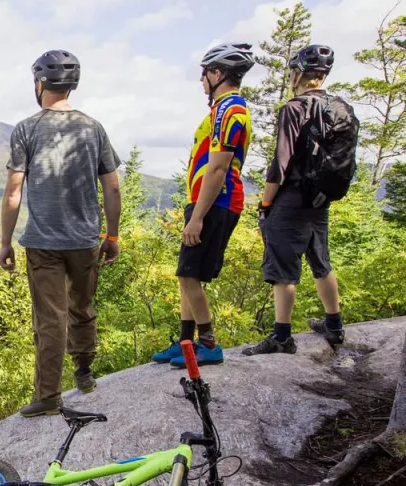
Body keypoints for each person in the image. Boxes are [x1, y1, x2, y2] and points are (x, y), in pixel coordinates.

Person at [0, 49, 122, 418]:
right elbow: (112, 188)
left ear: (39, 84)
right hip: (85, 240)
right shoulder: (93, 128)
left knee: (50, 319)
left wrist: (5, 241)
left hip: (43, 243)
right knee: (82, 307)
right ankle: (84, 373)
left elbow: (13, 192)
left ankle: (49, 396)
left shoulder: (26, 129)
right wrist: (112, 236)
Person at [243, 44, 356, 355]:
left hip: (292, 198)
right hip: (320, 199)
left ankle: (282, 336)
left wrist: (265, 203)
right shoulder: (342, 108)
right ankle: (334, 326)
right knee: (321, 260)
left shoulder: (295, 108)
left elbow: (280, 164)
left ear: (297, 74)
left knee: (283, 269)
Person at [151, 43, 255, 369]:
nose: (200, 80)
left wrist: (197, 218)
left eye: (204, 73)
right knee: (187, 274)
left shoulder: (231, 111)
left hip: (215, 203)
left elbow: (218, 168)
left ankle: (208, 343)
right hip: (205, 202)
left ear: (217, 73)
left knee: (188, 275)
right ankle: (186, 343)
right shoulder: (222, 110)